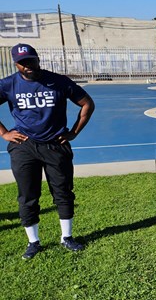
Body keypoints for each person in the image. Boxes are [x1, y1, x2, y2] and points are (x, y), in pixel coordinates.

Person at [0, 43, 95, 260]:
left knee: (63, 191)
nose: (28, 66)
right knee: (27, 195)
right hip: (24, 147)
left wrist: (74, 132)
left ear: (38, 59)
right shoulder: (8, 84)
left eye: (31, 60)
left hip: (55, 145)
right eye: (22, 63)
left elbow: (87, 103)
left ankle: (67, 237)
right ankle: (33, 242)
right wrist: (5, 133)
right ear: (16, 63)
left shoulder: (59, 81)